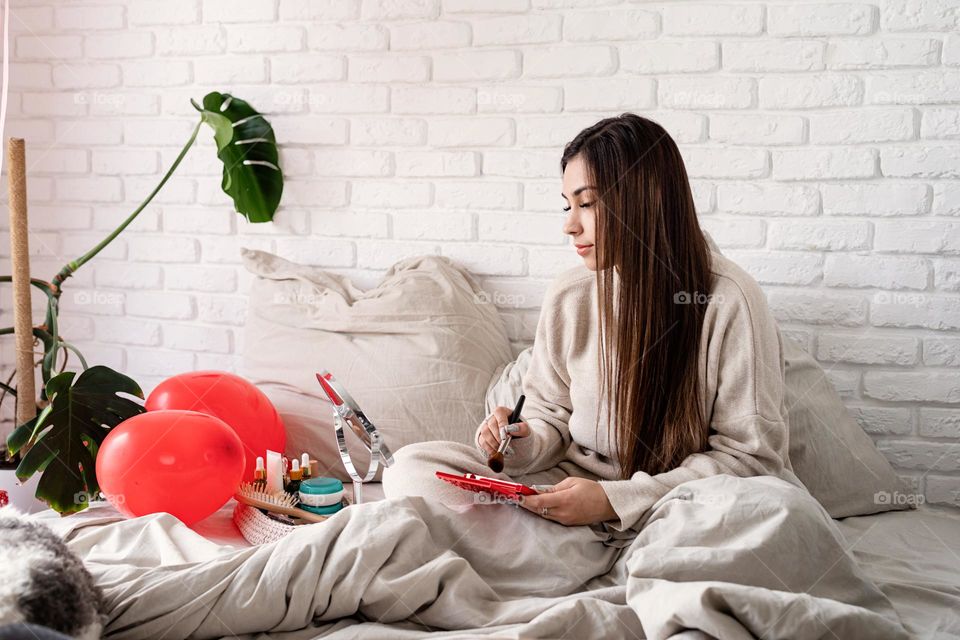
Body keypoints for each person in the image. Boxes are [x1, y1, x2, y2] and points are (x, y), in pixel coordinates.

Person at [382, 112, 802, 547]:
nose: (570, 224)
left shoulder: (729, 299)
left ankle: (550, 549)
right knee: (412, 469)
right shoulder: (570, 294)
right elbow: (550, 415)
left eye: (587, 203)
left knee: (774, 515)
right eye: (567, 205)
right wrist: (521, 439)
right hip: (570, 490)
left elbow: (752, 460)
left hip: (675, 503)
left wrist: (613, 500)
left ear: (645, 198)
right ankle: (551, 546)